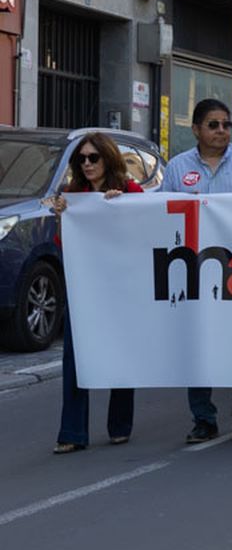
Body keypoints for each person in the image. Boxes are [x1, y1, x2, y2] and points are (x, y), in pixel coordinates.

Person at [158, 99, 232, 444]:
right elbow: (161, 214)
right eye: (213, 125)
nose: (221, 131)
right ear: (196, 129)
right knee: (198, 344)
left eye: (226, 124)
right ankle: (203, 417)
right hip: (195, 271)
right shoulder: (178, 168)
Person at [48, 133, 142, 453]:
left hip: (122, 286)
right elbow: (64, 244)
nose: (87, 164)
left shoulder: (130, 191)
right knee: (75, 357)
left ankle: (119, 424)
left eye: (93, 158)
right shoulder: (74, 194)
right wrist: (63, 216)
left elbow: (144, 234)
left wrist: (122, 208)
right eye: (82, 159)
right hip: (84, 288)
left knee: (120, 353)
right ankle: (72, 432)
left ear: (108, 159)